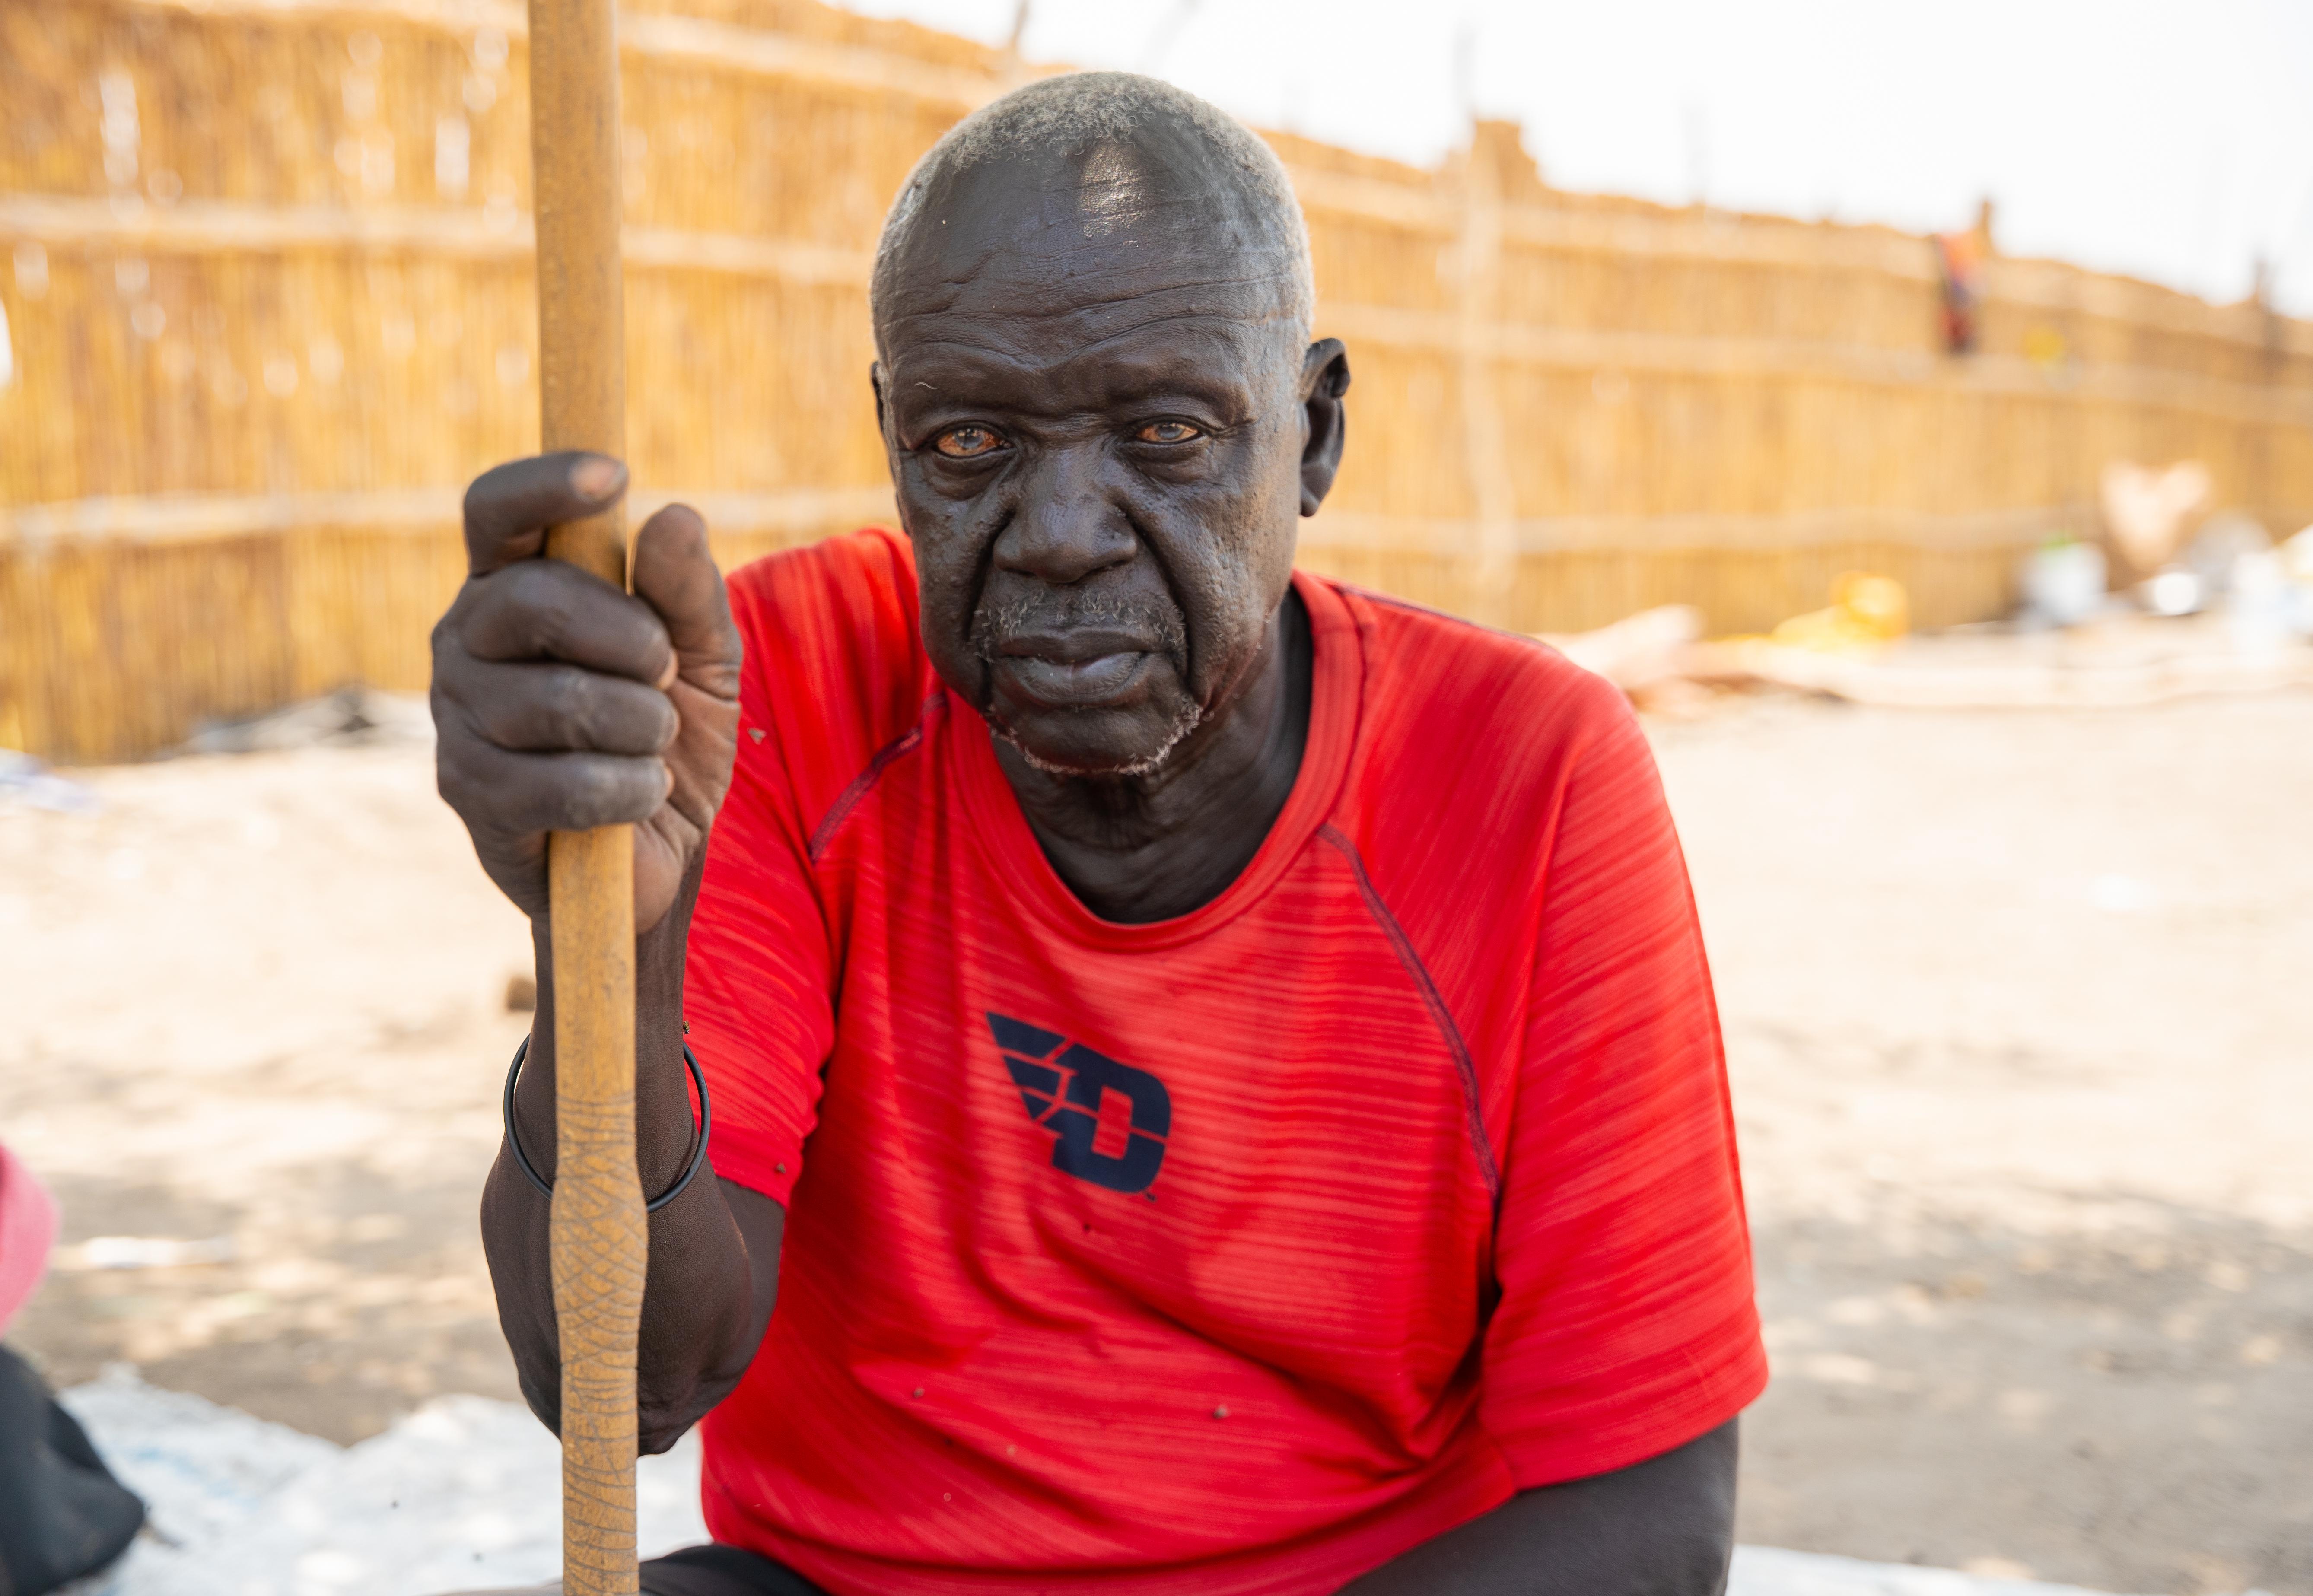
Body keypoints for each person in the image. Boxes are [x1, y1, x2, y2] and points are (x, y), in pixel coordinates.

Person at [432, 72, 1763, 1596]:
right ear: (893, 440)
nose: (1063, 533)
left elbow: (1649, 1529)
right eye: (970, 444)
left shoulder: (1521, 773)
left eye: (1167, 431)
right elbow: (629, 1386)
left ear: (1314, 434)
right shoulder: (768, 692)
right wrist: (611, 941)